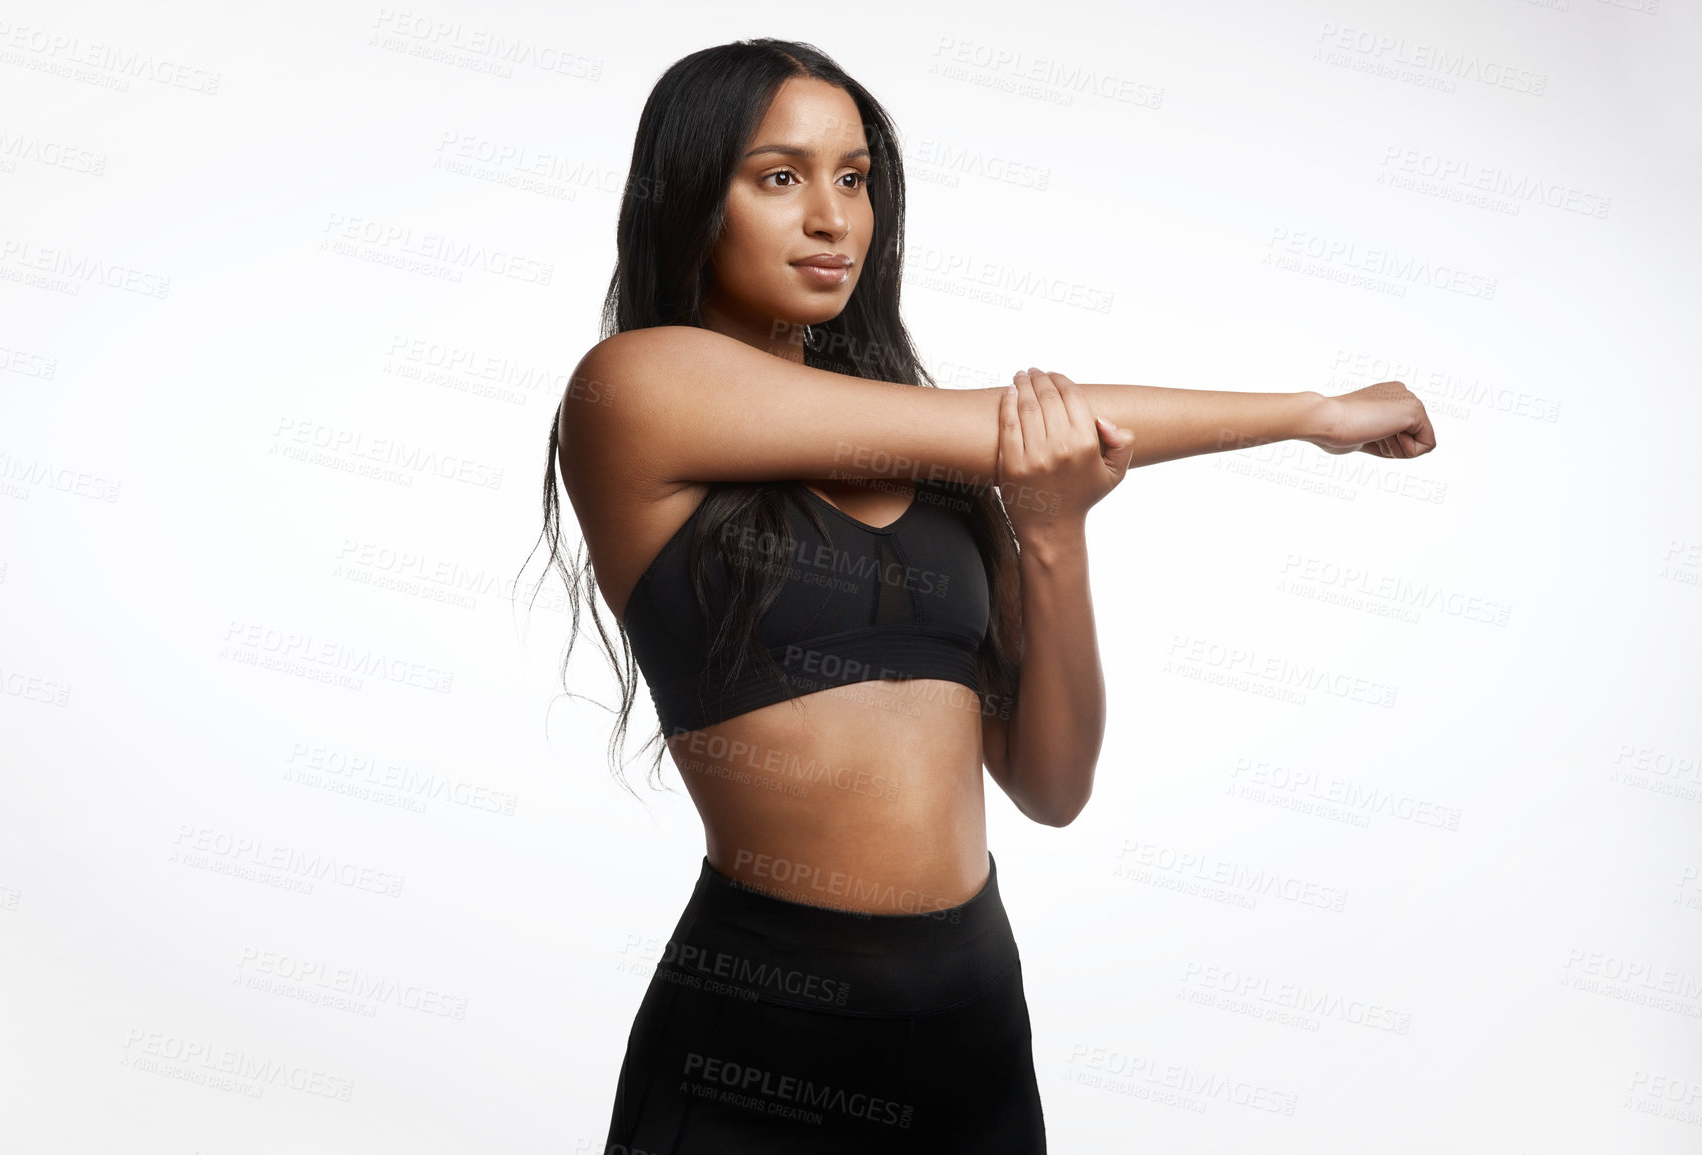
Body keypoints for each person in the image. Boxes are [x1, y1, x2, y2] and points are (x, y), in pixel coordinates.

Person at [534, 37, 1435, 1153]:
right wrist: (1312, 412)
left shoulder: (943, 468)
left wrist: (1053, 536)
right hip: (760, 1036)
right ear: (690, 199)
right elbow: (1010, 428)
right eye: (780, 177)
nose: (833, 219)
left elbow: (1052, 787)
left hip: (972, 1024)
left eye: (854, 177)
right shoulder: (636, 387)